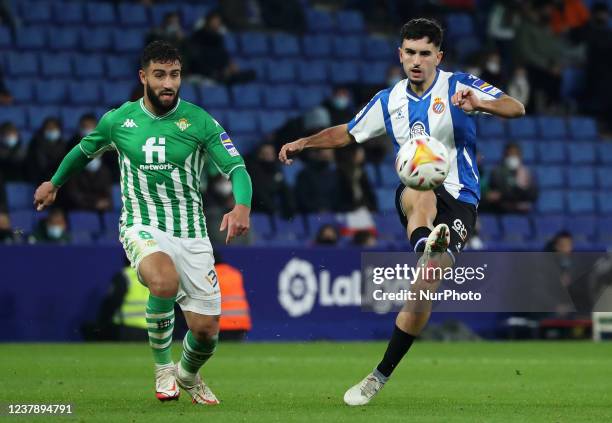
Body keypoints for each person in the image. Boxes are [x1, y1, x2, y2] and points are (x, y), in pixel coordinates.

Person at [279, 18, 525, 406]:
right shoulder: (388, 100)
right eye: (410, 52)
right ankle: (424, 242)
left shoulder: (460, 85)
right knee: (419, 188)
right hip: (419, 190)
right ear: (400, 54)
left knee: (424, 287)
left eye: (425, 53)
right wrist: (304, 142)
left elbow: (517, 107)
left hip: (462, 197)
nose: (416, 60)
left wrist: (481, 103)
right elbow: (347, 132)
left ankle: (380, 372)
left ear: (437, 56)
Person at [33, 41, 253, 405]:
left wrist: (242, 205)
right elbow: (83, 151)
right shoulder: (118, 120)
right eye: (160, 75)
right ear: (144, 76)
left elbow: (236, 168)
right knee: (163, 281)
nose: (169, 83)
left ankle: (187, 374)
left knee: (207, 332)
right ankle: (163, 370)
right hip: (141, 224)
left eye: (175, 75)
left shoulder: (199, 121)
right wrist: (53, 183)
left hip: (192, 233)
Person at [484, 142, 538, 213]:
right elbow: (499, 192)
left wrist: (522, 188)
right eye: (510, 154)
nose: (513, 157)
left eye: (515, 154)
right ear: (505, 156)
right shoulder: (497, 172)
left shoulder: (526, 172)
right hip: (502, 211)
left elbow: (533, 195)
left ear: (520, 156)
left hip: (523, 213)